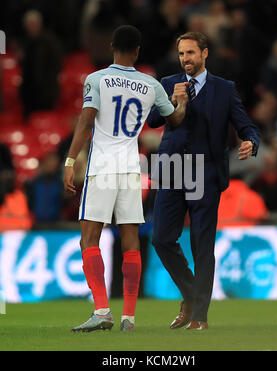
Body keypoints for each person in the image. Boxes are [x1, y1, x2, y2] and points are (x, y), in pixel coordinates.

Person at [63, 25, 188, 332]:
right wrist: (181, 101)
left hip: (102, 166)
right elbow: (173, 119)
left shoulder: (97, 80)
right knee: (131, 240)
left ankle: (103, 311)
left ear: (111, 46)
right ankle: (129, 318)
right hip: (133, 167)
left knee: (89, 237)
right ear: (137, 51)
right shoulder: (150, 84)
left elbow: (85, 122)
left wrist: (69, 160)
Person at [147, 31, 260, 331]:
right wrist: (171, 102)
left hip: (206, 173)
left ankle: (200, 316)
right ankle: (190, 296)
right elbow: (153, 122)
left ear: (205, 53)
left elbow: (246, 125)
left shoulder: (225, 89)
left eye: (191, 53)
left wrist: (251, 141)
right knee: (160, 238)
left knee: (202, 245)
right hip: (172, 170)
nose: (185, 59)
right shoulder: (169, 84)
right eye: (182, 54)